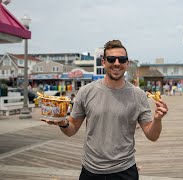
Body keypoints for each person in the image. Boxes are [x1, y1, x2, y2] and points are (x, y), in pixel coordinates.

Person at [43, 40, 168, 180]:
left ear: (127, 63)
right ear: (103, 62)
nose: (116, 63)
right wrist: (62, 122)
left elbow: (152, 136)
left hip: (125, 171)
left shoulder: (138, 95)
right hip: (91, 171)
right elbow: (71, 129)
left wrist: (157, 119)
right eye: (111, 59)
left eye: (121, 59)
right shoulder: (86, 92)